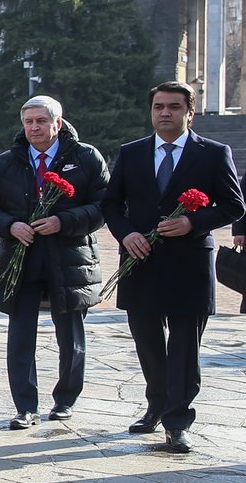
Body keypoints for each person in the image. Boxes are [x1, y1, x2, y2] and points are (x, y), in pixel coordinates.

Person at [101, 80, 245, 453]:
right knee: (148, 344)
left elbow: (234, 206)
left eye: (174, 107)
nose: (165, 113)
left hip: (189, 265)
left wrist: (193, 222)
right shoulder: (131, 153)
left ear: (189, 112)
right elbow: (112, 205)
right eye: (159, 107)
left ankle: (177, 421)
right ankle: (156, 407)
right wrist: (127, 234)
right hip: (140, 261)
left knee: (183, 348)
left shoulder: (213, 153)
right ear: (151, 111)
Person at [0, 96, 109, 429]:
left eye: (41, 121)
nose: (34, 128)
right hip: (22, 257)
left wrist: (63, 222)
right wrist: (11, 226)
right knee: (20, 334)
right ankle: (25, 406)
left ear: (58, 123)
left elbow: (103, 207)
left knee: (70, 336)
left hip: (68, 257)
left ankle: (65, 399)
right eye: (28, 122)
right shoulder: (8, 161)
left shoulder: (85, 157)